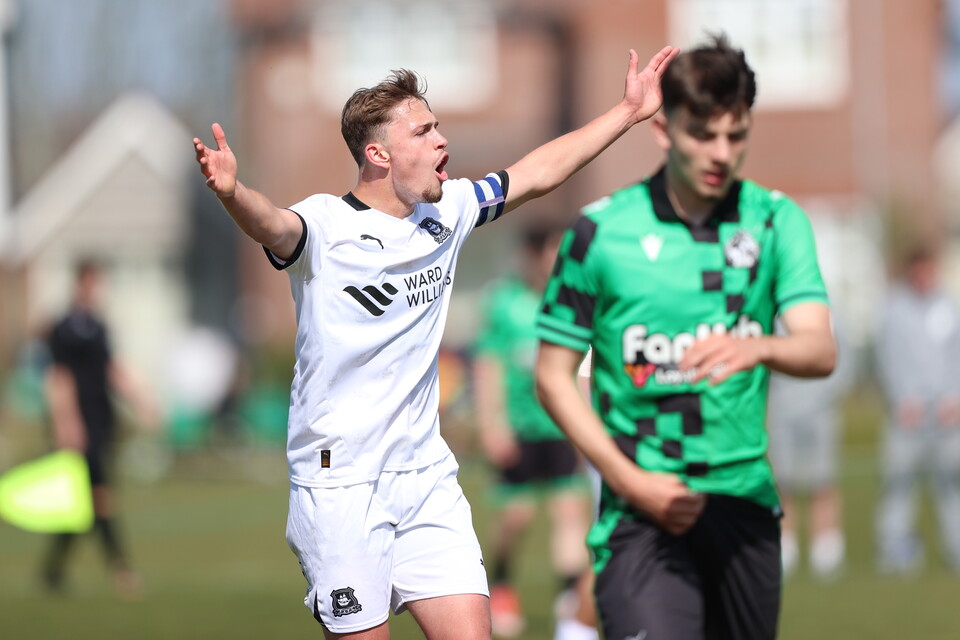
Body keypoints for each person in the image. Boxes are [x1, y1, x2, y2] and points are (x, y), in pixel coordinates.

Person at [193, 45, 678, 640]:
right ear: (378, 154)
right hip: (340, 483)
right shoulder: (324, 226)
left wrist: (628, 113)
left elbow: (537, 173)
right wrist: (231, 193)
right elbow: (272, 223)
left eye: (436, 127)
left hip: (425, 474)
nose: (440, 141)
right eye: (422, 132)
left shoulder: (447, 211)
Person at [534, 34, 836, 640]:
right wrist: (630, 482)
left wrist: (760, 346)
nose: (722, 152)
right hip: (640, 513)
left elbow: (819, 349)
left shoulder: (776, 221)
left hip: (743, 504)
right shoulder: (602, 232)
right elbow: (551, 376)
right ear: (665, 129)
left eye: (736, 134)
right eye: (704, 133)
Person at [471, 224, 593, 639]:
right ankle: (501, 585)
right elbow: (489, 365)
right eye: (555, 252)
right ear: (536, 255)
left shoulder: (571, 301)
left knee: (569, 510)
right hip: (518, 426)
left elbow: (583, 365)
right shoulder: (504, 302)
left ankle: (570, 598)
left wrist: (585, 422)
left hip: (559, 423)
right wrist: (492, 423)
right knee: (516, 516)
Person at [41, 259, 157, 598]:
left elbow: (111, 369)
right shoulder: (62, 329)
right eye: (93, 283)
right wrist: (67, 423)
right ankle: (120, 568)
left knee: (83, 500)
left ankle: (53, 570)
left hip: (101, 419)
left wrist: (141, 401)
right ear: (80, 284)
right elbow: (59, 379)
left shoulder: (99, 327)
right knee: (99, 495)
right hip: (76, 422)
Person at [875, 242, 960, 574]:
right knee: (898, 485)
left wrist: (955, 397)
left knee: (951, 486)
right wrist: (901, 399)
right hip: (906, 415)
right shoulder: (893, 309)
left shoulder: (950, 305)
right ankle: (896, 553)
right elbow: (886, 358)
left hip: (947, 414)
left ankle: (956, 550)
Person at [767, 312, 854, 579]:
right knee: (783, 480)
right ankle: (785, 546)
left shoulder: (829, 310)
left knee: (824, 479)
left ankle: (826, 548)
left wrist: (827, 394)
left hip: (821, 408)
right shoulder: (771, 309)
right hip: (782, 408)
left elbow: (844, 358)